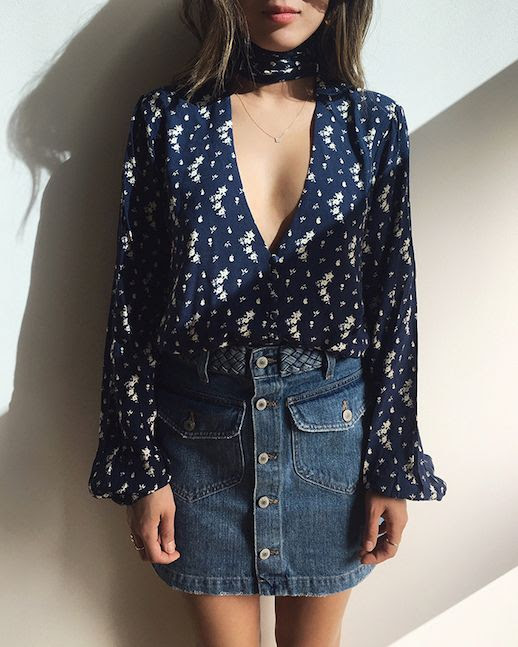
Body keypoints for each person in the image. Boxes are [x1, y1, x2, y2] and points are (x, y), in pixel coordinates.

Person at [87, 0, 448, 644]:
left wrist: (392, 464)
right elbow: (134, 305)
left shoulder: (372, 124)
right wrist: (141, 466)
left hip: (330, 437)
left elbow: (395, 302)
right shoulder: (169, 120)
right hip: (198, 438)